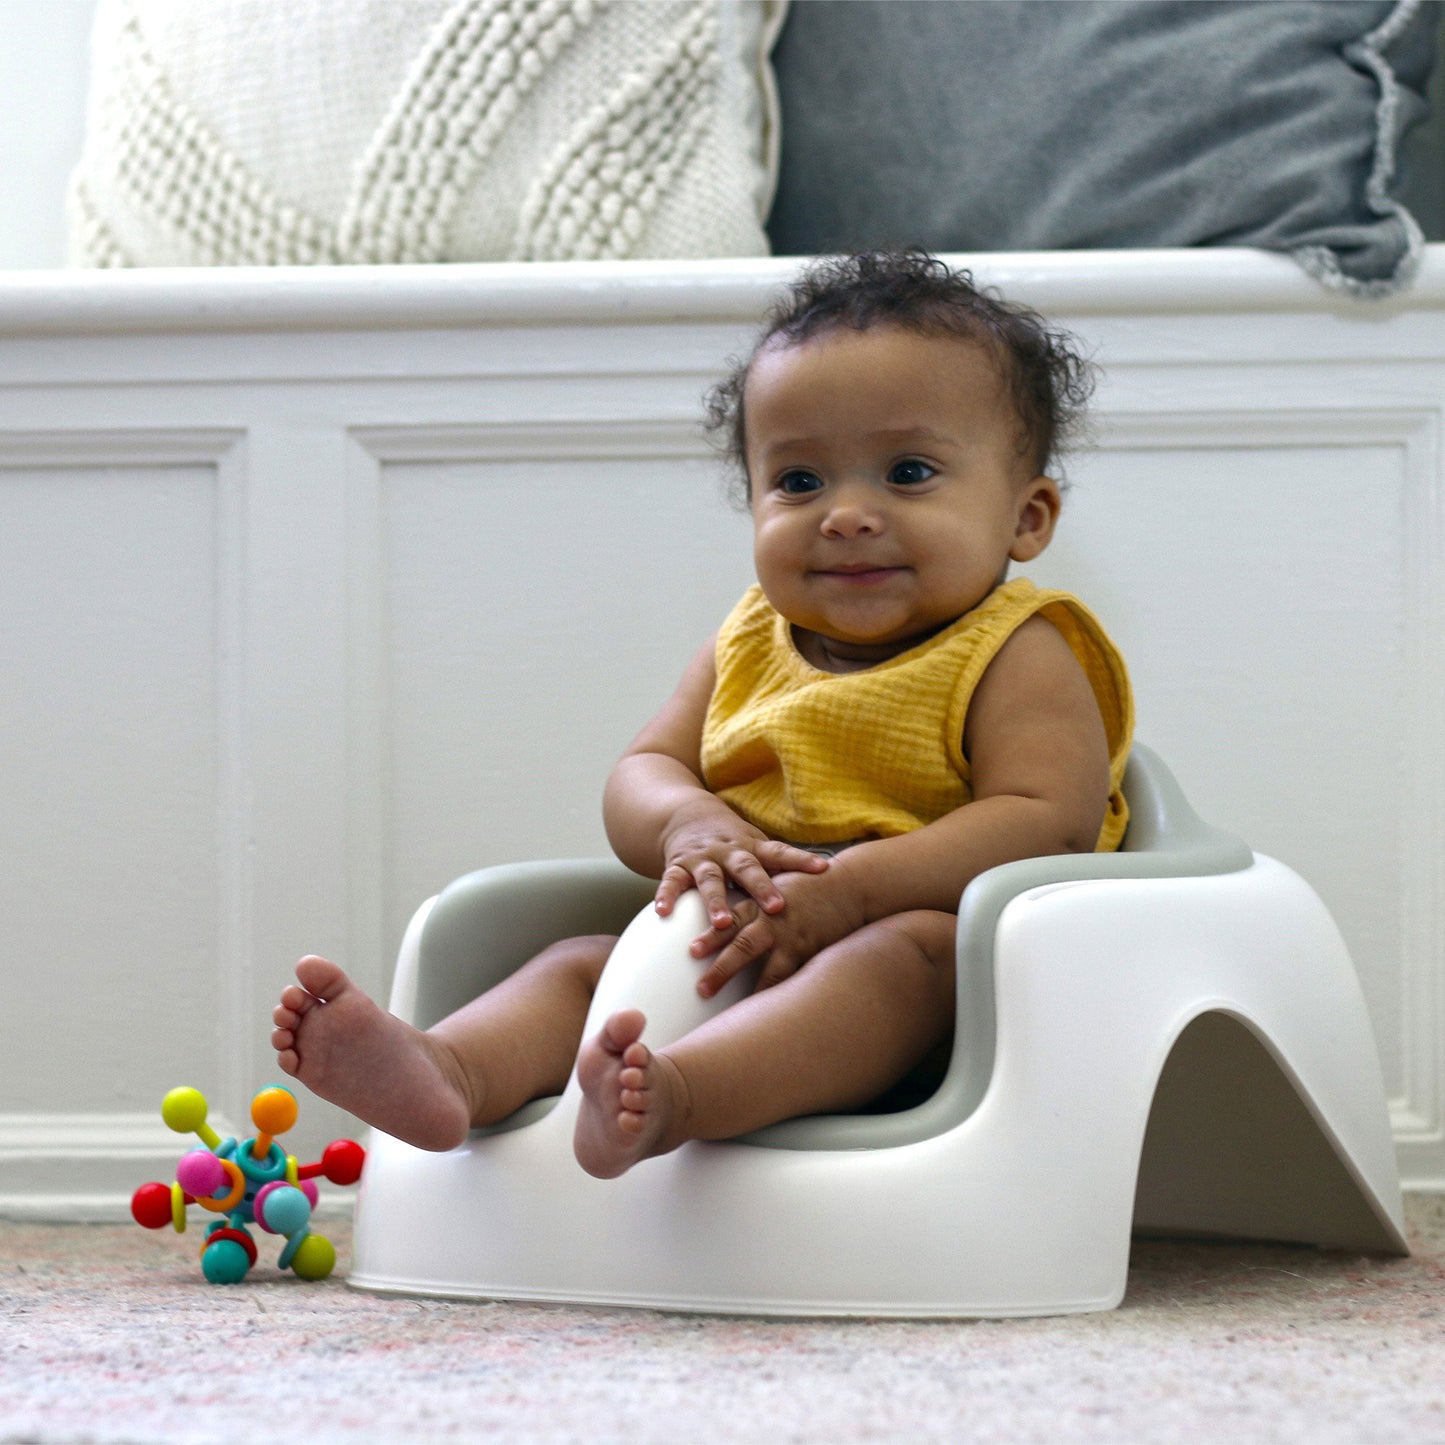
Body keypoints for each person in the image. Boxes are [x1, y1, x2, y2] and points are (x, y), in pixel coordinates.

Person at [270, 250, 1134, 1179]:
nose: (845, 514)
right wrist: (688, 820)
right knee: (583, 964)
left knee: (899, 960)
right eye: (798, 482)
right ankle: (451, 1070)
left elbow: (1047, 820)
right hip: (738, 945)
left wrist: (855, 890)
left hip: (948, 995)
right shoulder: (750, 639)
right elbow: (641, 772)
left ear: (1026, 516)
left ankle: (674, 1097)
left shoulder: (1015, 648)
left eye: (908, 471)